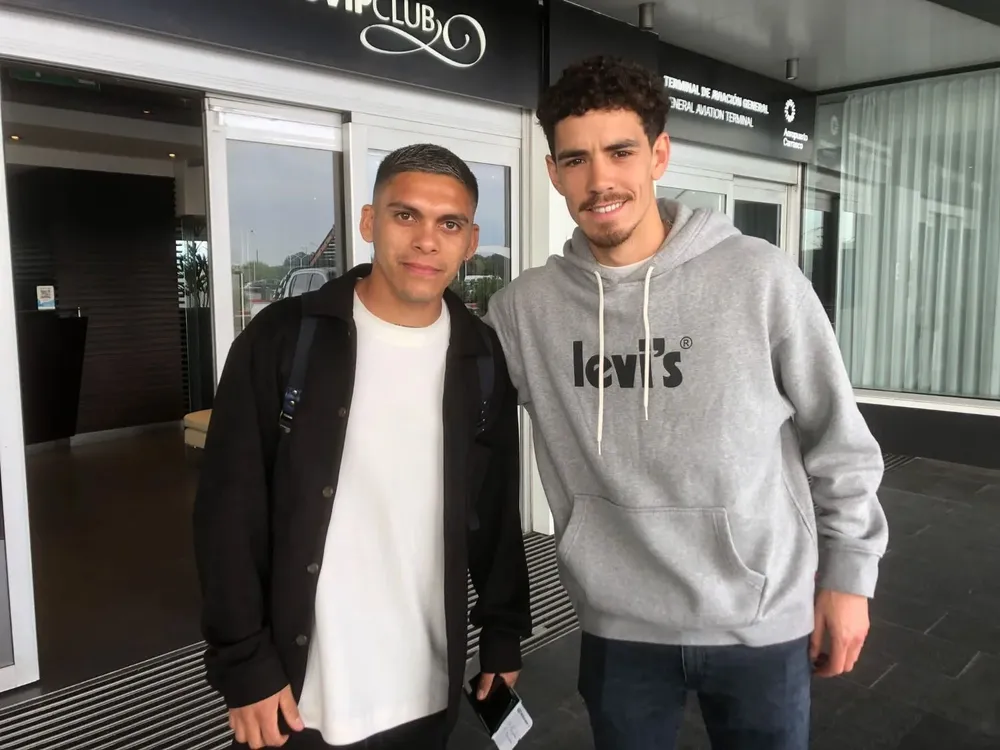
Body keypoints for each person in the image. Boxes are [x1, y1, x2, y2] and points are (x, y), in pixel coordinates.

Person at [484, 56, 889, 750]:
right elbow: (449, 412)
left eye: (620, 152)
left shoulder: (758, 277)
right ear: (552, 173)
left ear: (658, 156)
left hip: (759, 615)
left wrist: (849, 575)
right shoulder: (525, 310)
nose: (600, 179)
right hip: (619, 624)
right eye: (575, 159)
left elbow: (838, 439)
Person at [194, 143, 531, 750]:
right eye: (406, 216)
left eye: (448, 223)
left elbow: (496, 513)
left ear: (471, 239)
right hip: (302, 701)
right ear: (369, 222)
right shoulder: (284, 339)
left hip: (427, 691)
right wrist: (243, 666)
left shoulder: (480, 357)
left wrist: (502, 635)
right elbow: (227, 512)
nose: (427, 240)